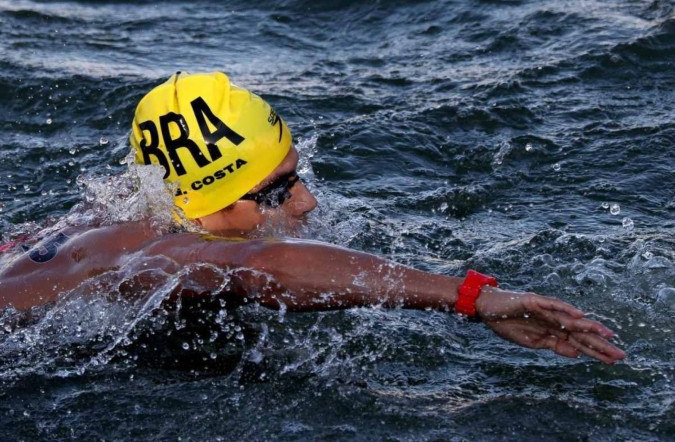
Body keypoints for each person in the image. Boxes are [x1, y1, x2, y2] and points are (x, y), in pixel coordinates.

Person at [0, 72, 626, 364]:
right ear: (210, 205)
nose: (307, 204)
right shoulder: (160, 252)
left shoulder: (111, 212)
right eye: (276, 192)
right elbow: (255, 265)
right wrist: (472, 298)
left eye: (298, 176)